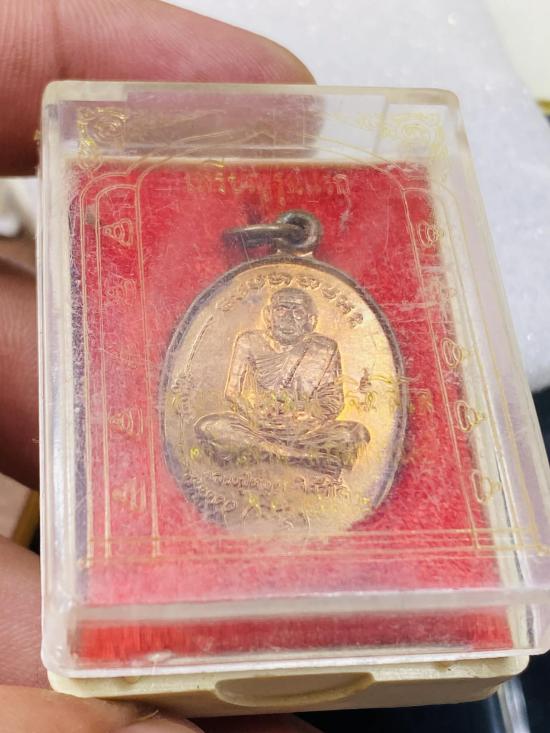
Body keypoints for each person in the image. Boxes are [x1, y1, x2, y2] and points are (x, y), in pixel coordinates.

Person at [0, 1, 317, 731]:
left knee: (341, 436)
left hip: (302, 442)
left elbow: (329, 406)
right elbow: (228, 400)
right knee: (211, 427)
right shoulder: (245, 339)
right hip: (249, 438)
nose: (290, 325)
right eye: (282, 316)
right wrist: (261, 423)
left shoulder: (323, 348)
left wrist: (298, 422)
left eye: (298, 316)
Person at [196, 288, 369, 474]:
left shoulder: (325, 348)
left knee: (354, 434)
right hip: (257, 428)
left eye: (298, 312)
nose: (289, 318)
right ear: (268, 315)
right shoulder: (249, 341)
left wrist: (310, 417)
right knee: (210, 427)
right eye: (281, 310)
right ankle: (303, 459)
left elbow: (333, 399)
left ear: (311, 320)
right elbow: (232, 392)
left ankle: (267, 454)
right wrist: (255, 418)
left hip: (303, 432)